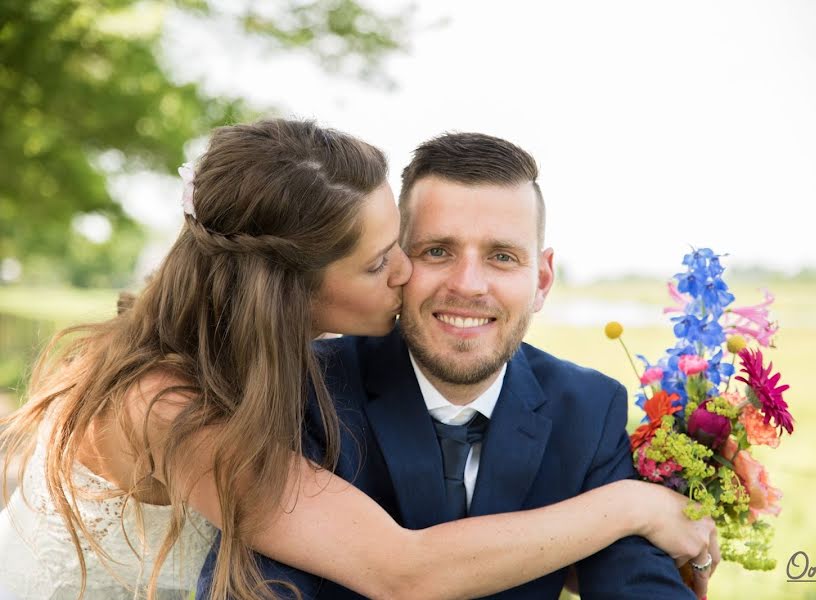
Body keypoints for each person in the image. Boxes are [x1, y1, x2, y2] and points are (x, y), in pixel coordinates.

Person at [0, 118, 713, 600]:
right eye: (383, 262)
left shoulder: (251, 366)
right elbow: (399, 571)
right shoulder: (175, 408)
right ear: (292, 293)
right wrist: (630, 505)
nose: (411, 276)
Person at [220, 132, 720, 599]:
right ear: (396, 263)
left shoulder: (588, 409)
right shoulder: (306, 389)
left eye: (502, 257)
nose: (469, 285)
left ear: (542, 280)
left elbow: (635, 582)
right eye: (438, 251)